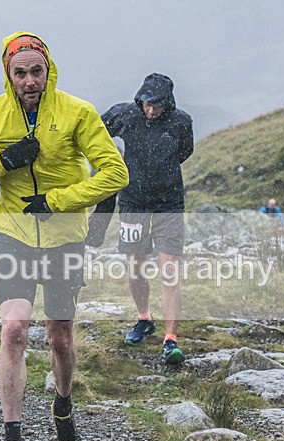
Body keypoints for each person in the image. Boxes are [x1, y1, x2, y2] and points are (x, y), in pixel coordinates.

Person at [0, 32, 128, 441]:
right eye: (20, 73)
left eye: (37, 71)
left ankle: (62, 408)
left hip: (65, 236)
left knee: (59, 338)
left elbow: (115, 173)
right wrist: (2, 162)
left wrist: (58, 200)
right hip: (15, 235)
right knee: (13, 331)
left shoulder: (76, 112)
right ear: (8, 75)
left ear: (49, 70)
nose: (30, 81)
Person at [87, 73, 193, 366]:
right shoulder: (126, 114)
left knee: (169, 271)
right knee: (135, 267)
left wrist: (158, 172)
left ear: (167, 102)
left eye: (156, 106)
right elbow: (93, 131)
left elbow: (184, 152)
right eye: (145, 104)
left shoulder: (181, 122)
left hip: (169, 203)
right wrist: (109, 163)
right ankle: (144, 318)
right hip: (133, 201)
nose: (149, 110)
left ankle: (171, 339)